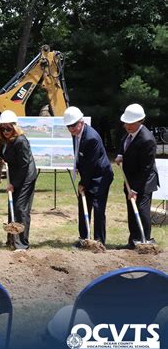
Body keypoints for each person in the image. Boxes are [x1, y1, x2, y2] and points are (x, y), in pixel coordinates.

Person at [64, 106, 113, 247]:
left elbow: (90, 165)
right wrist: (78, 168)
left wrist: (83, 183)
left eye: (73, 125)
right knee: (83, 205)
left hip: (101, 177)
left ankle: (99, 241)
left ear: (81, 121)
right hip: (89, 173)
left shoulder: (91, 138)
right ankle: (84, 239)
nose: (71, 129)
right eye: (68, 126)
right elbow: (80, 156)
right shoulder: (76, 134)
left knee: (98, 208)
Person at [115, 104, 159, 249]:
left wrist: (135, 190)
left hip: (144, 181)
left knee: (141, 209)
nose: (127, 125)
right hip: (131, 179)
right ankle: (133, 241)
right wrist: (121, 154)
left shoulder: (147, 140)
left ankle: (145, 241)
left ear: (140, 121)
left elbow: (145, 169)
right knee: (131, 210)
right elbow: (125, 143)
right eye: (126, 122)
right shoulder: (129, 132)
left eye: (131, 123)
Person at [0, 110, 37, 251]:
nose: (6, 131)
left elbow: (24, 165)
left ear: (15, 127)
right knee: (12, 205)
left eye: (8, 128)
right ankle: (11, 239)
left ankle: (22, 244)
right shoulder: (4, 140)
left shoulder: (21, 140)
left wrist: (14, 184)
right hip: (15, 173)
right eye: (3, 128)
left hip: (26, 176)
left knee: (21, 208)